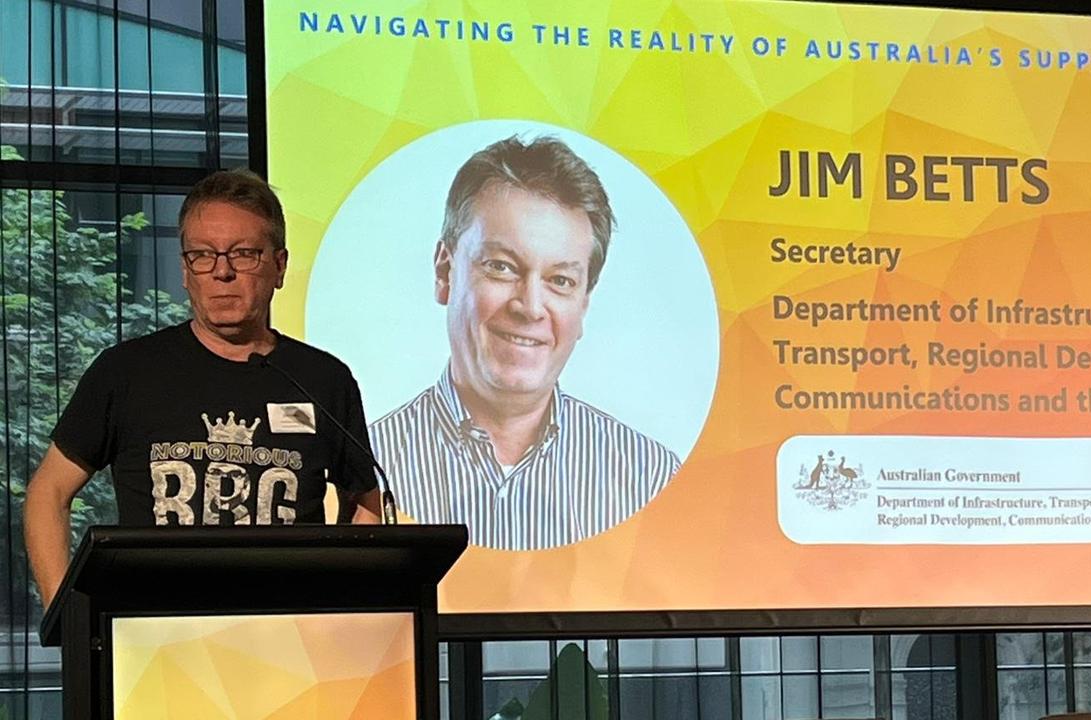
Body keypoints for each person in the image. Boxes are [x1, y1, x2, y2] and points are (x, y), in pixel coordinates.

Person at [24, 169, 381, 608]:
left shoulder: (324, 379)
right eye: (203, 255)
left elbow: (365, 500)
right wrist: (67, 619)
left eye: (244, 254)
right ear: (185, 270)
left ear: (280, 266)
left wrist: (348, 607)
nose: (222, 272)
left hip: (290, 644)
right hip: (157, 642)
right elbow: (49, 493)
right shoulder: (127, 372)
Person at [368, 136, 679, 550]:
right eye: (501, 267)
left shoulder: (647, 475)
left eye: (560, 281)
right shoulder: (367, 467)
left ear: (584, 303)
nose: (531, 307)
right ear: (445, 271)